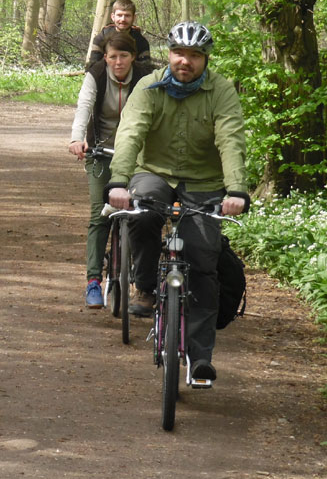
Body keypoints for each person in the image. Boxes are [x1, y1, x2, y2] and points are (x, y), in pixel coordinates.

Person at [104, 21, 249, 382]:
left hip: (205, 181)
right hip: (153, 171)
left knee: (203, 258)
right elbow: (131, 133)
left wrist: (236, 191)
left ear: (205, 59)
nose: (186, 61)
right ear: (168, 54)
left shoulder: (221, 90)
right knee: (142, 214)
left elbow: (230, 140)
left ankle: (200, 356)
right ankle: (147, 286)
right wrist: (119, 182)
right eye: (179, 53)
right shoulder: (148, 87)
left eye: (195, 55)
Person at [68, 30, 146, 309]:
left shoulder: (145, 78)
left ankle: (141, 275)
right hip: (101, 150)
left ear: (133, 57)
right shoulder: (97, 74)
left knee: (142, 213)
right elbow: (84, 108)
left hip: (138, 153)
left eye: (124, 56)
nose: (118, 62)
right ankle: (93, 281)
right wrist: (78, 138)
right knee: (98, 215)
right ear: (106, 57)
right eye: (112, 56)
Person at [86, 0, 154, 74]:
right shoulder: (101, 38)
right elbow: (93, 67)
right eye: (119, 15)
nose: (123, 19)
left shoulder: (141, 41)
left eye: (127, 16)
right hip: (105, 79)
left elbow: (146, 69)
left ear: (134, 17)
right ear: (113, 17)